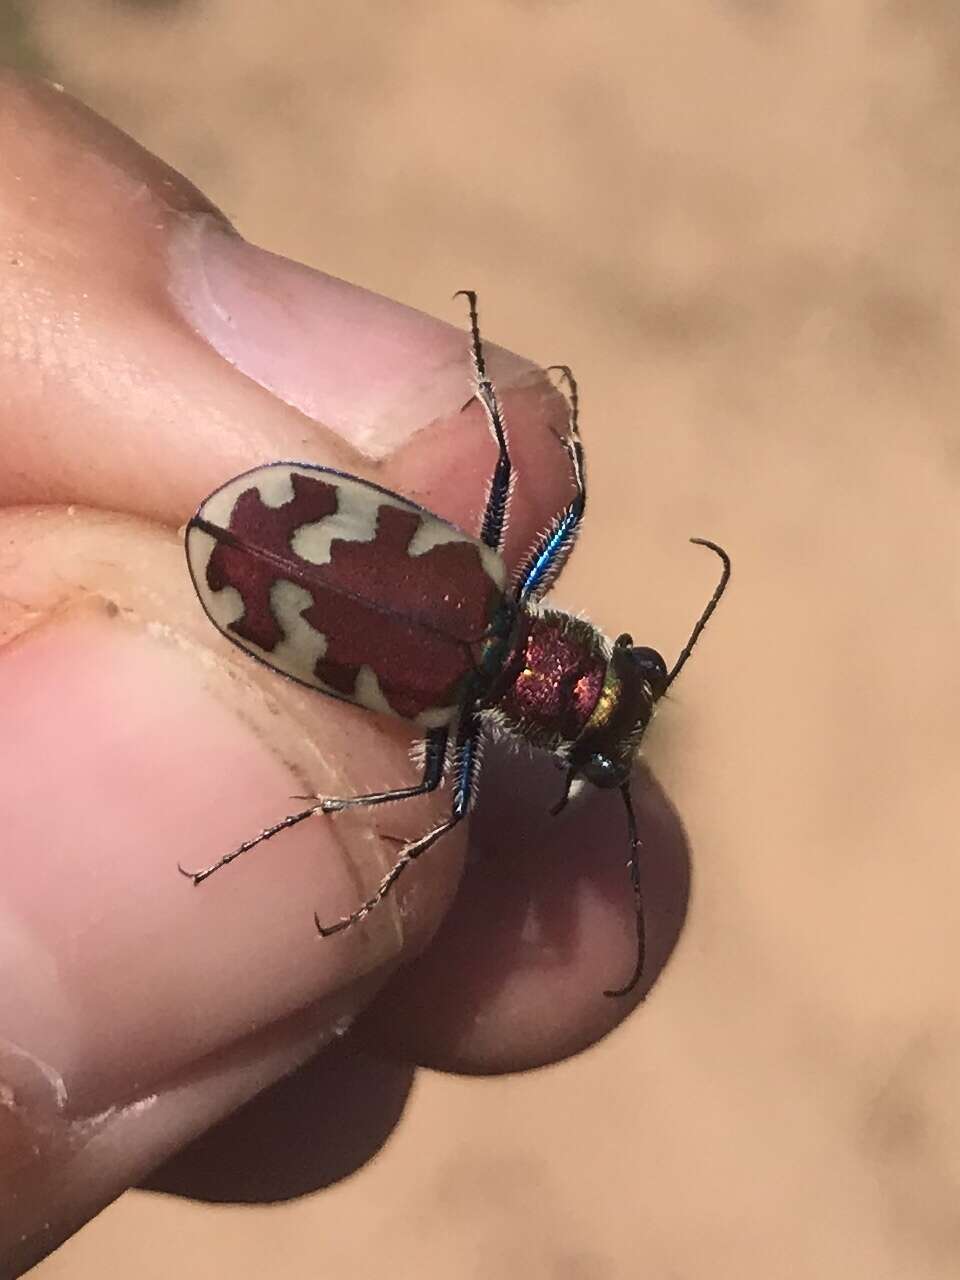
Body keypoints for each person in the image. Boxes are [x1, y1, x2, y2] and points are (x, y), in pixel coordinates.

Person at [0, 72, 674, 1273]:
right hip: (263, 556)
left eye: (602, 710)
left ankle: (297, 825)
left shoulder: (495, 583)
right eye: (615, 682)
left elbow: (534, 485)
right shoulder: (452, 710)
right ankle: (297, 826)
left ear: (570, 663)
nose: (602, 690)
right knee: (423, 811)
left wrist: (489, 373)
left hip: (272, 537)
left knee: (423, 787)